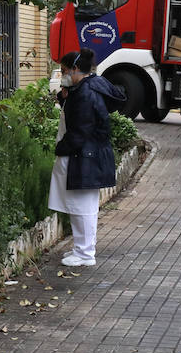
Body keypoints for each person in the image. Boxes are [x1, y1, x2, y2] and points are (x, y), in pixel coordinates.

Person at [49, 49, 125, 267]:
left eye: (63, 71)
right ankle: (81, 250)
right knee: (82, 206)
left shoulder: (84, 94)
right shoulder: (88, 87)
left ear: (74, 69)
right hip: (88, 155)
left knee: (82, 207)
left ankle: (84, 253)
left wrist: (61, 148)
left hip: (83, 156)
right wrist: (64, 97)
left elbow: (80, 130)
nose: (62, 75)